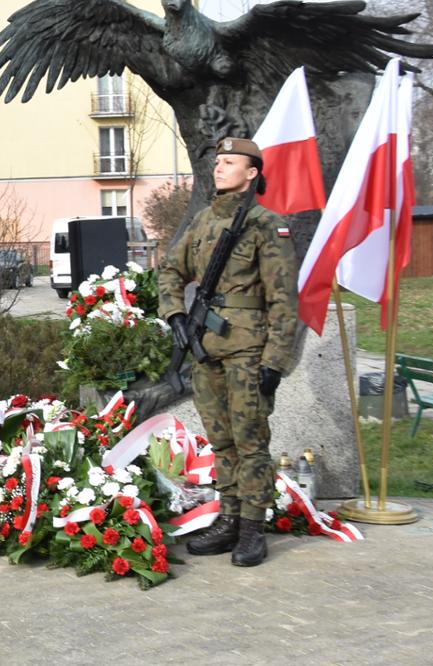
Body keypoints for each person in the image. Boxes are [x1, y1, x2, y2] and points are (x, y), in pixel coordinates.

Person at [156, 137, 297, 568]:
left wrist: (275, 361)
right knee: (221, 441)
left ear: (251, 173)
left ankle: (252, 527)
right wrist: (175, 315)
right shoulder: (202, 221)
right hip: (207, 350)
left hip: (248, 351)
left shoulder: (266, 225)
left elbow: (283, 299)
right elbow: (170, 270)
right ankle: (230, 518)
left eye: (229, 162)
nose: (218, 167)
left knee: (250, 441)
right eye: (217, 161)